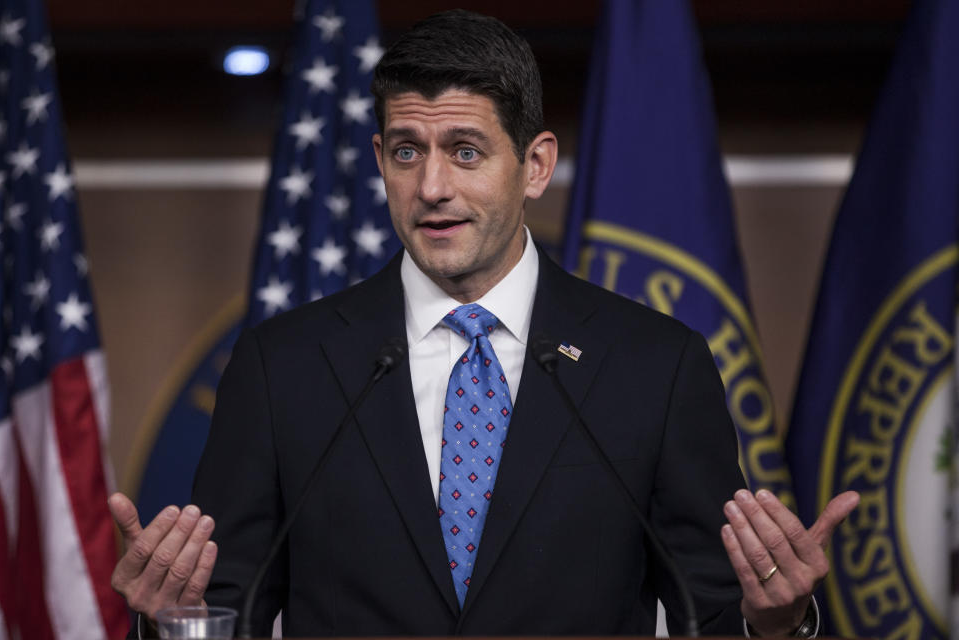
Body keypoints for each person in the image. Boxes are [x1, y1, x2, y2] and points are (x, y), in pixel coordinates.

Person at [109, 10, 858, 637]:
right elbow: (222, 610)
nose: (433, 187)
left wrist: (779, 621)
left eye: (465, 152)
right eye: (408, 152)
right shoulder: (285, 367)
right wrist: (168, 620)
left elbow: (713, 615)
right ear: (379, 159)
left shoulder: (654, 367)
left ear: (534, 166)